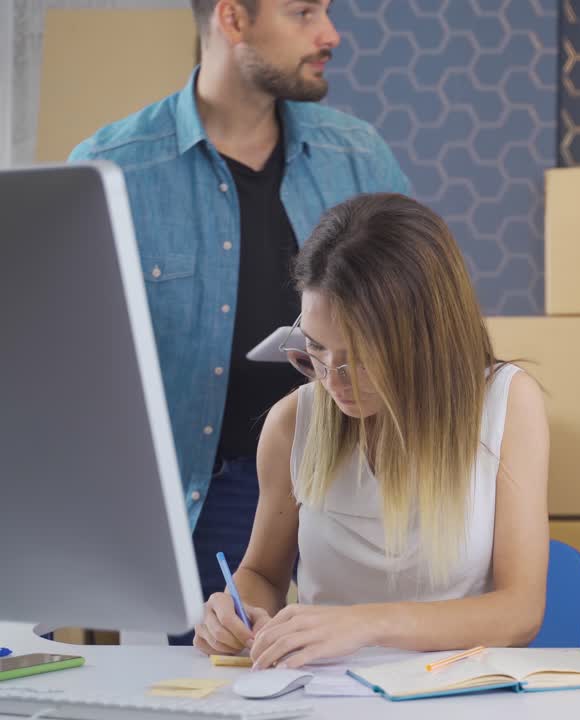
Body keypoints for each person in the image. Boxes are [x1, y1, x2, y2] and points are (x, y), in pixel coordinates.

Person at [68, 0, 411, 636]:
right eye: (303, 12)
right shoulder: (113, 167)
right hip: (199, 501)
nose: (329, 34)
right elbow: (69, 368)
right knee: (207, 686)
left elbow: (424, 316)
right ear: (232, 19)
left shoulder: (358, 157)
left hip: (360, 487)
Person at [190, 193, 550, 666]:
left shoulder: (507, 405)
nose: (332, 382)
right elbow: (262, 573)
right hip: (322, 695)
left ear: (426, 338)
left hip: (457, 693)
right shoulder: (292, 422)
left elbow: (520, 612)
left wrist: (367, 624)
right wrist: (235, 609)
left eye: (359, 359)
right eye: (316, 350)